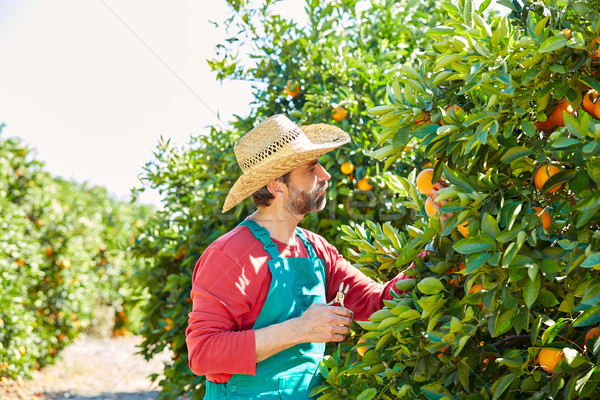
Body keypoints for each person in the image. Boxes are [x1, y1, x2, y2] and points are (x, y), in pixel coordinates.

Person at [186, 114, 411, 399]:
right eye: (311, 167)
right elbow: (203, 353)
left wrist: (439, 241)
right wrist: (300, 329)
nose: (325, 175)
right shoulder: (229, 256)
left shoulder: (316, 250)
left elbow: (377, 304)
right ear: (276, 187)